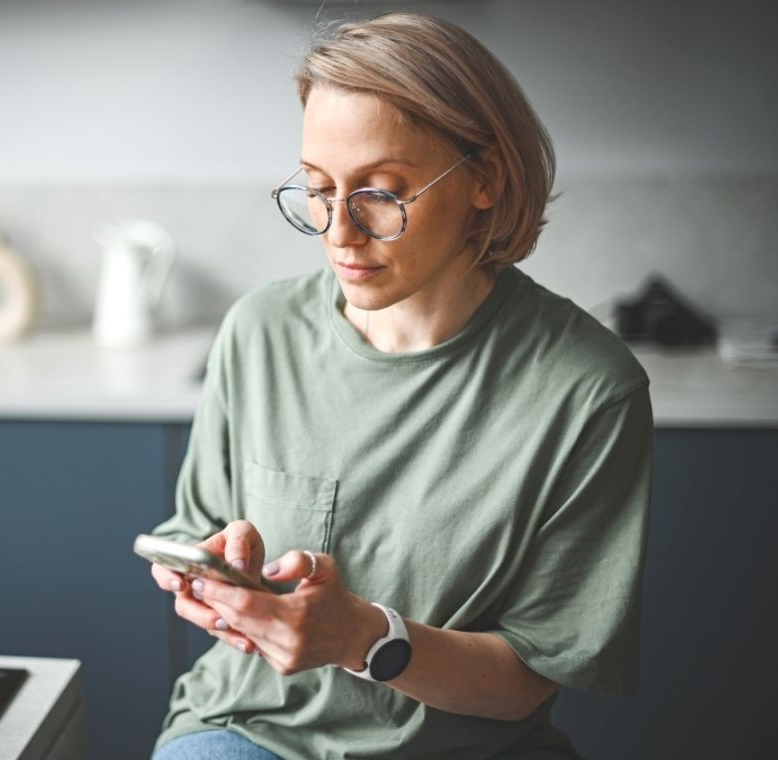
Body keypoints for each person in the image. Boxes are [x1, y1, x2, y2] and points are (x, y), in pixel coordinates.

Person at [148, 11, 652, 760]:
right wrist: (217, 580)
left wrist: (364, 638)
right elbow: (197, 537)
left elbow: (526, 682)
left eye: (382, 192)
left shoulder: (586, 392)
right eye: (317, 189)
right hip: (249, 730)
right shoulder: (257, 333)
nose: (339, 232)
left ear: (486, 179)